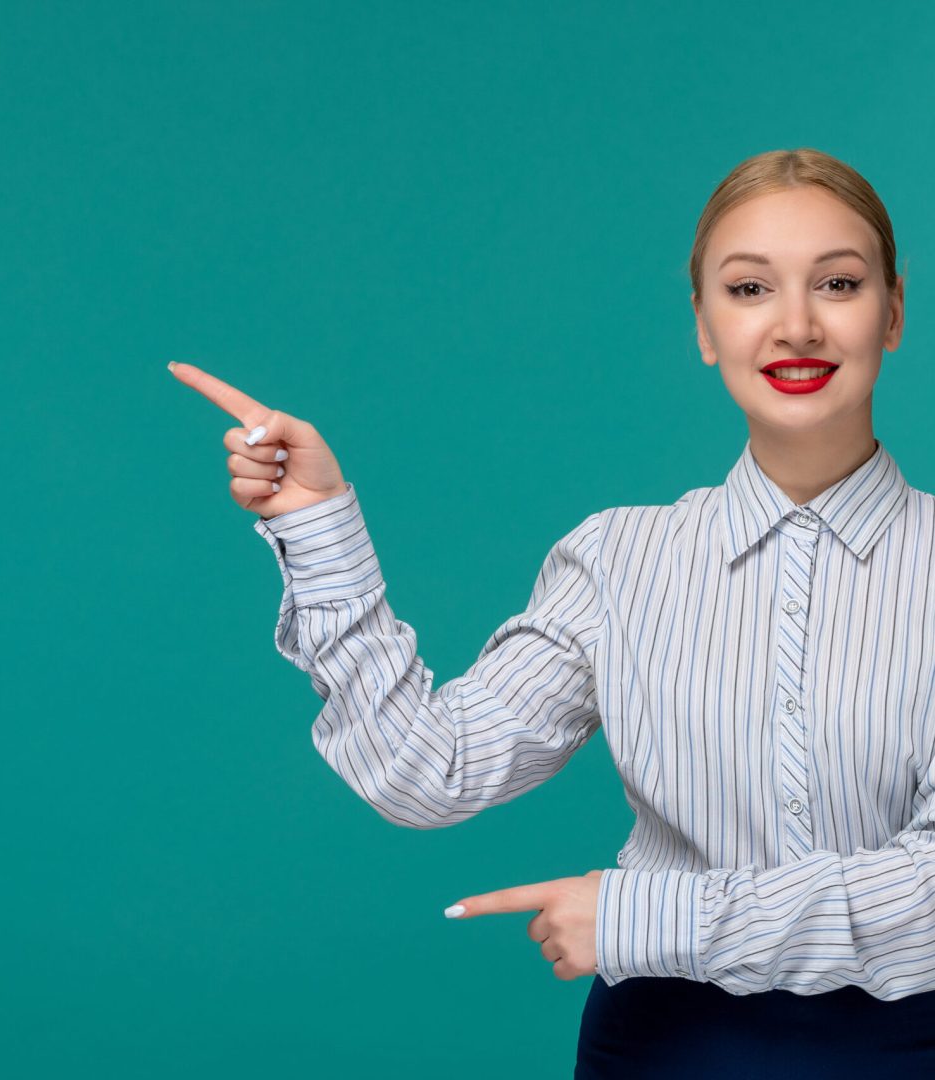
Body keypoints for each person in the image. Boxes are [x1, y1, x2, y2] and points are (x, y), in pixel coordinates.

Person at [168, 147, 935, 1076]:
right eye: (748, 289)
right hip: (665, 1048)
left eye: (839, 283)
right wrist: (322, 528)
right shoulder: (619, 561)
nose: (796, 325)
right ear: (702, 324)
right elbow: (430, 769)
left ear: (892, 311)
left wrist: (647, 916)